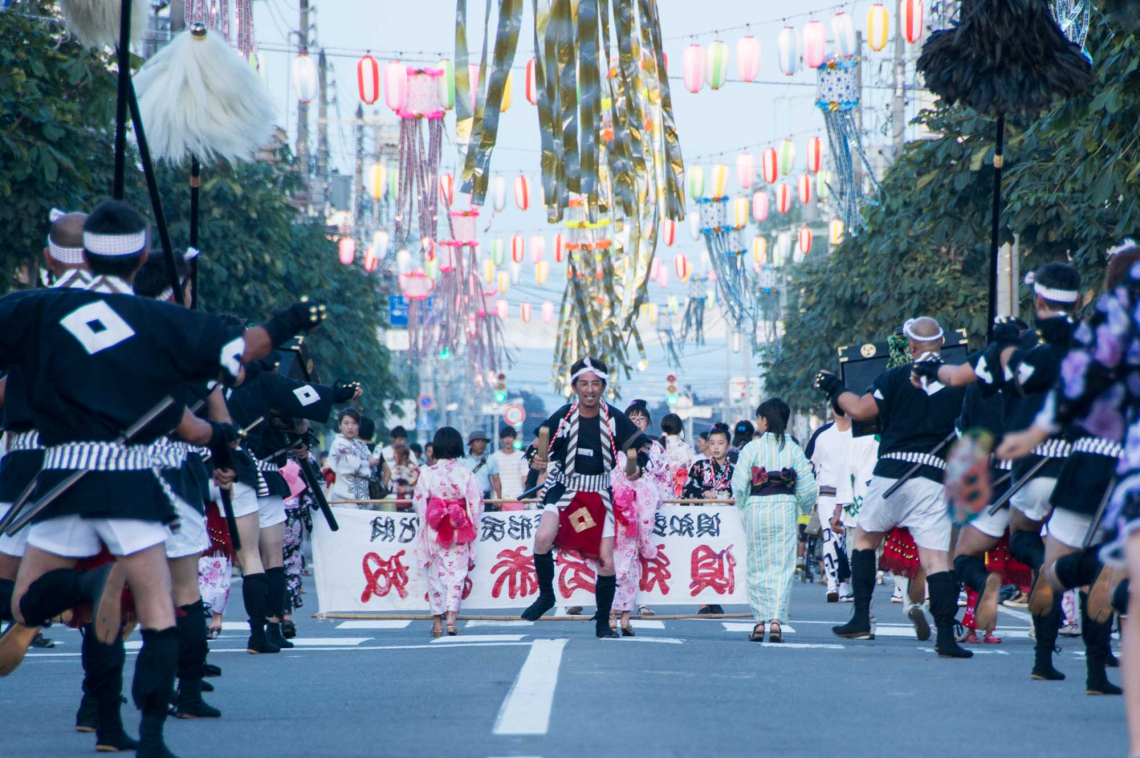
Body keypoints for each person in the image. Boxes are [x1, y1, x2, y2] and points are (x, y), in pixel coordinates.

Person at [0, 200, 323, 756]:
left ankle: (80, 589)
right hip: (133, 481)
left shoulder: (36, 311)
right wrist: (288, 322)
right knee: (156, 612)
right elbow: (240, 352)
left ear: (74, 254)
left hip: (59, 475)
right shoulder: (162, 320)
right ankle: (150, 735)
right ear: (144, 256)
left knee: (23, 601)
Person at [915, 263, 1082, 676]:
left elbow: (954, 378)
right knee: (1056, 557)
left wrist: (928, 368)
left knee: (968, 552)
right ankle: (1057, 658)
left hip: (1005, 465)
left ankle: (984, 579)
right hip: (1076, 463)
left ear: (1038, 300)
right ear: (1079, 300)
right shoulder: (1095, 343)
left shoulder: (1011, 348)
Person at [815, 316, 972, 658]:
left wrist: (833, 388)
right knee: (936, 561)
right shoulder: (959, 383)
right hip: (935, 478)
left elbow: (858, 410)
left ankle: (860, 619)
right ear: (942, 344)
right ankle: (945, 637)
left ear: (911, 346)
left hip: (891, 474)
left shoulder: (896, 376)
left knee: (865, 539)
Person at [519, 357, 653, 638]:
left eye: (595, 383)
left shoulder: (614, 418)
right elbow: (536, 446)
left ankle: (603, 622)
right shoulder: (564, 416)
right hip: (566, 490)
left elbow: (641, 445)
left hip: (599, 494)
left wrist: (636, 465)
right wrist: (536, 460)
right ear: (574, 387)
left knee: (606, 561)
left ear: (603, 386)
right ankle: (546, 596)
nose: (589, 389)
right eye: (583, 383)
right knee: (542, 538)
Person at [731, 399, 817, 643]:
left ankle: (759, 622)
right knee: (783, 566)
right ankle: (776, 622)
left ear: (765, 420)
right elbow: (809, 487)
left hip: (757, 507)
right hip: (785, 507)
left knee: (757, 564)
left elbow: (738, 486)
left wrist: (745, 506)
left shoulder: (752, 448)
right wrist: (801, 504)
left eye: (759, 418)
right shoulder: (793, 448)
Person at [412, 427, 484, 638]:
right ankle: (451, 617)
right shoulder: (465, 473)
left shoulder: (427, 473)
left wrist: (430, 519)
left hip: (435, 529)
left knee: (435, 576)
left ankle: (437, 622)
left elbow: (419, 502)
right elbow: (476, 502)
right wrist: (470, 521)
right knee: (456, 575)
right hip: (458, 528)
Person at [804, 409, 854, 602]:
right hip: (827, 493)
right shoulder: (822, 435)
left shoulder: (858, 434)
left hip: (848, 495)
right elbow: (810, 466)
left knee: (842, 541)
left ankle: (840, 584)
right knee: (832, 538)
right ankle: (836, 584)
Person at [326, 408, 381, 505]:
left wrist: (371, 463)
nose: (350, 427)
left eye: (354, 423)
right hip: (343, 498)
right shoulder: (338, 443)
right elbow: (350, 465)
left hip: (363, 496)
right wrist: (369, 463)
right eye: (346, 423)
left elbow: (372, 464)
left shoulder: (361, 444)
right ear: (340, 425)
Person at [682, 423, 734, 501]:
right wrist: (704, 492)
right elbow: (687, 489)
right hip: (703, 511)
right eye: (712, 443)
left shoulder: (734, 470)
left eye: (720, 443)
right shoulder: (699, 466)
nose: (716, 447)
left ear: (728, 445)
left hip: (727, 511)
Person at [490, 427, 529, 510]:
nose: (507, 440)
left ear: (514, 439)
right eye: (505, 437)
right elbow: (493, 480)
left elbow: (525, 478)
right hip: (500, 498)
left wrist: (526, 500)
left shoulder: (521, 456)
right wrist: (495, 497)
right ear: (501, 439)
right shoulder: (494, 457)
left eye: (510, 437)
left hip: (518, 497)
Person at [659, 412, 695, 497]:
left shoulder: (657, 447)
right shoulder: (687, 448)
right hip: (681, 490)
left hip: (661, 491)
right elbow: (693, 470)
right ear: (680, 428)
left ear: (662, 427)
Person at [461, 430, 498, 504]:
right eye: (477, 441)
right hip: (468, 498)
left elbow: (496, 479)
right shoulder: (462, 460)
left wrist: (499, 499)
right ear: (471, 444)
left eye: (483, 441)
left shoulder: (490, 459)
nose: (481, 444)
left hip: (485, 498)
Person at [390, 444, 419, 509]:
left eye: (396, 454)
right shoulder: (393, 470)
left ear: (404, 456)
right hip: (397, 503)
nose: (394, 456)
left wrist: (407, 489)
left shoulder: (414, 470)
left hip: (412, 504)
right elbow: (390, 486)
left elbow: (420, 487)